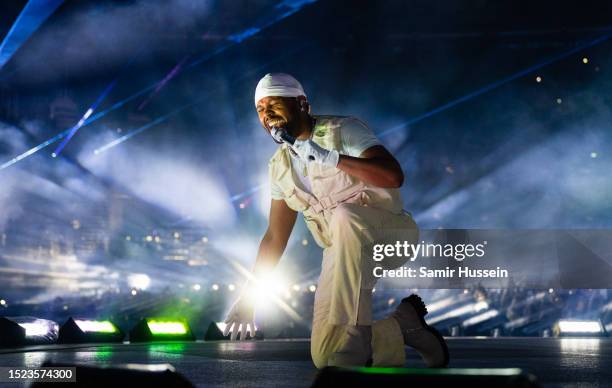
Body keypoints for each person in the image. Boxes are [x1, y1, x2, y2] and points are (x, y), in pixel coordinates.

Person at [223, 73, 449, 368]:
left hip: (390, 235)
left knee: (345, 216)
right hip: (343, 253)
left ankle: (355, 342)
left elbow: (393, 176)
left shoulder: (343, 130)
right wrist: (249, 297)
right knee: (325, 356)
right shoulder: (279, 167)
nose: (267, 116)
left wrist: (331, 158)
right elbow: (275, 237)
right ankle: (404, 327)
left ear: (302, 104)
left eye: (274, 105)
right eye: (260, 110)